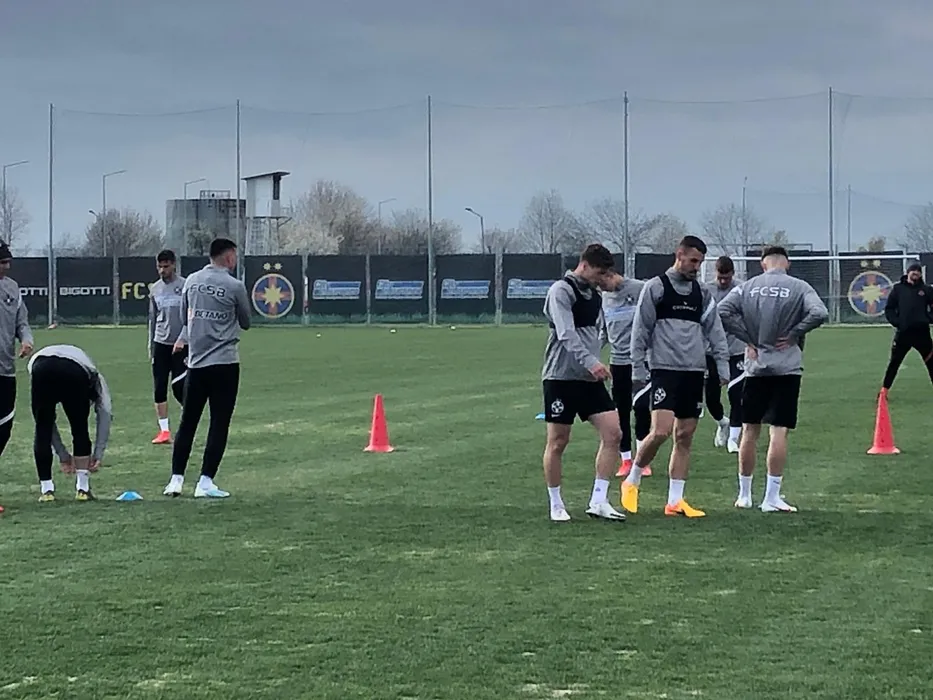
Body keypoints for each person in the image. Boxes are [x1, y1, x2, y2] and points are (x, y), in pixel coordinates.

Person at [622, 235, 730, 518]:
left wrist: (722, 365)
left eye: (700, 262)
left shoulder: (701, 293)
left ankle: (675, 501)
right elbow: (640, 330)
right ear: (679, 255)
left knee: (684, 436)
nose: (697, 267)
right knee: (660, 431)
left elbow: (715, 330)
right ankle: (632, 479)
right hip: (664, 370)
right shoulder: (656, 288)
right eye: (693, 261)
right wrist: (638, 368)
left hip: (694, 371)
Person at [717, 246, 828, 513]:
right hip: (786, 367)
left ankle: (744, 495)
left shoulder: (748, 287)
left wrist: (748, 338)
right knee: (778, 431)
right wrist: (795, 333)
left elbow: (722, 310)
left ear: (763, 263)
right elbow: (820, 313)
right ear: (787, 264)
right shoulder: (799, 287)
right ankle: (771, 497)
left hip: (756, 367)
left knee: (749, 430)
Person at [541, 243, 627, 523]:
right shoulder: (561, 291)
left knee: (614, 433)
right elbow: (566, 333)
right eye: (599, 273)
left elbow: (597, 333)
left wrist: (597, 359)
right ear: (585, 265)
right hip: (561, 377)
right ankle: (556, 504)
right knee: (558, 441)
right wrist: (591, 362)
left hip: (589, 379)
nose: (602, 279)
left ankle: (599, 500)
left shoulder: (595, 295)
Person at [164, 238, 250, 499]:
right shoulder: (235, 286)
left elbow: (184, 317)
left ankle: (176, 480)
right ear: (229, 256)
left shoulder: (191, 281)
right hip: (225, 363)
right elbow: (246, 321)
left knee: (188, 422)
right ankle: (205, 482)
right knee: (219, 423)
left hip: (196, 363)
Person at [27, 344, 112, 502]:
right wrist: (98, 454)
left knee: (42, 428)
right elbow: (105, 412)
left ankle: (46, 491)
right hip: (74, 370)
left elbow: (46, 424)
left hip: (41, 366)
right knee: (80, 428)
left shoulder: (87, 370)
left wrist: (63, 455)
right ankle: (83, 489)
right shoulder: (95, 376)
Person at [599, 270, 653, 478]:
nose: (601, 288)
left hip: (640, 360)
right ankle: (626, 460)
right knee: (620, 412)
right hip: (618, 363)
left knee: (641, 408)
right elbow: (604, 331)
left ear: (609, 275)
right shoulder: (604, 298)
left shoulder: (640, 289)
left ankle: (642, 460)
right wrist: (592, 356)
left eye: (602, 283)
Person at [0, 242, 34, 513]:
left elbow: (22, 322)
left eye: (7, 262)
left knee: (4, 428)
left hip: (6, 369)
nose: (6, 266)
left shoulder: (12, 289)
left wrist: (26, 339)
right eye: (2, 262)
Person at [703, 255, 746, 453]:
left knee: (736, 393)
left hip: (736, 349)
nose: (723, 281)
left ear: (733, 274)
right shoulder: (706, 291)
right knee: (711, 397)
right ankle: (722, 423)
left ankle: (734, 439)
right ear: (715, 273)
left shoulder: (741, 290)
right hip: (711, 351)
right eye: (720, 277)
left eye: (726, 278)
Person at [148, 249, 187, 445]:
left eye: (166, 266)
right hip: (161, 343)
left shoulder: (185, 286)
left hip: (181, 345)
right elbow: (153, 319)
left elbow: (191, 316)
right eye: (159, 266)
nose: (162, 270)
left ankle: (187, 424)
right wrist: (151, 345)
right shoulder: (155, 289)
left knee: (181, 387)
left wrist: (183, 338)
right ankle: (164, 431)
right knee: (159, 387)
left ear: (174, 265)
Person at [881, 262, 933, 391]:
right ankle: (884, 391)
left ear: (920, 274)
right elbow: (889, 309)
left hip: (922, 334)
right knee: (894, 363)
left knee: (932, 363)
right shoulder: (898, 289)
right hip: (903, 333)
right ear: (908, 272)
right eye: (913, 270)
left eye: (918, 271)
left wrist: (928, 319)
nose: (915, 273)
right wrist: (897, 322)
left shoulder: (926, 290)